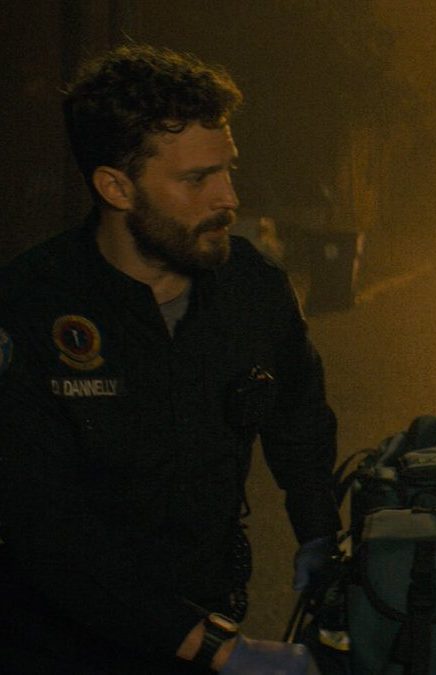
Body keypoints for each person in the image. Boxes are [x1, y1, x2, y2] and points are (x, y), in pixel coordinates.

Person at [0, 44, 341, 673]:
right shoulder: (29, 306)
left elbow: (298, 417)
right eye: (196, 179)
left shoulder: (253, 289)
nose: (228, 198)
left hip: (206, 621)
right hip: (62, 644)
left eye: (228, 170)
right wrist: (215, 648)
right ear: (115, 187)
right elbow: (42, 526)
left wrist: (319, 531)